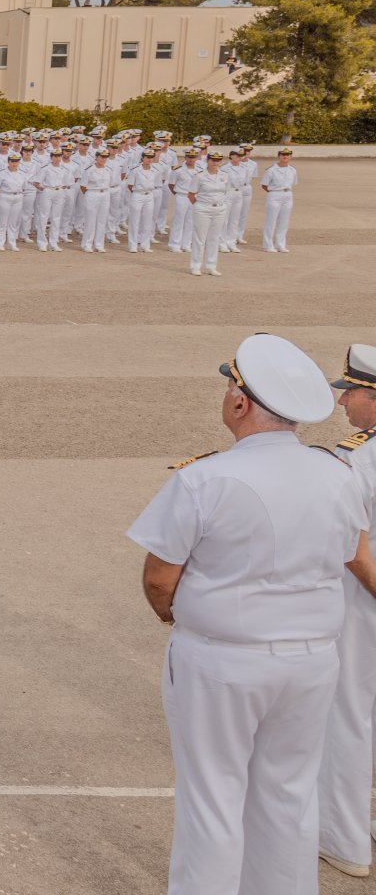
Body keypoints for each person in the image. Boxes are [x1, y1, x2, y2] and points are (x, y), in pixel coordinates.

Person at [127, 334, 369, 895]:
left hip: (222, 659)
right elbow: (348, 551)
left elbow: (159, 578)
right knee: (289, 796)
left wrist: (175, 615)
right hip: (310, 659)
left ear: (240, 403)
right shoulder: (337, 472)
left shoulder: (204, 478)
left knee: (213, 800)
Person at [319, 345, 376, 877]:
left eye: (351, 392)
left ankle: (346, 840)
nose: (343, 404)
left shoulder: (355, 458)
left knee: (349, 716)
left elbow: (353, 551)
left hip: (363, 608)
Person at [260, 149, 297, 253]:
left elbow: (293, 182)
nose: (285, 157)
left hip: (288, 194)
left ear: (291, 157)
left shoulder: (293, 170)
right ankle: (268, 245)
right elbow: (264, 185)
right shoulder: (271, 170)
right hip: (275, 195)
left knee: (284, 222)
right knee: (271, 221)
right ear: (278, 156)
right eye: (283, 155)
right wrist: (273, 192)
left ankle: (280, 245)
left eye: (288, 155)